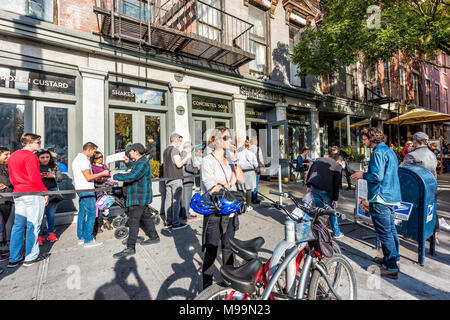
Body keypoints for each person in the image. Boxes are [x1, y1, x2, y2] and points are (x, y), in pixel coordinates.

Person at [352, 127, 401, 280]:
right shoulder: (388, 150)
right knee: (390, 230)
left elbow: (377, 176)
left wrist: (362, 175)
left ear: (372, 138)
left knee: (385, 233)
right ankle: (392, 259)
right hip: (390, 195)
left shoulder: (377, 152)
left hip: (380, 197)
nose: (363, 141)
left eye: (365, 139)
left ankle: (391, 267)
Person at [200, 126, 244, 289]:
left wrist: (235, 162)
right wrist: (230, 183)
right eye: (226, 138)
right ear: (216, 140)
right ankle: (206, 287)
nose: (230, 141)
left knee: (228, 247)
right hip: (214, 212)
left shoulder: (229, 160)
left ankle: (229, 281)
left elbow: (241, 179)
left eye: (230, 138)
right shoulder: (207, 160)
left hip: (230, 211)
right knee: (211, 250)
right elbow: (213, 188)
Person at [7, 133, 49, 268]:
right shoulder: (30, 156)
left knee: (18, 226)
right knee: (33, 224)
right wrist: (45, 193)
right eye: (38, 142)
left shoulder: (13, 156)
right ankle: (31, 256)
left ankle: (14, 257)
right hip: (32, 192)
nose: (40, 145)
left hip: (18, 192)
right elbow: (34, 177)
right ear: (29, 143)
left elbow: (12, 176)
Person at [112, 143, 160, 259]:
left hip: (138, 197)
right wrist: (128, 163)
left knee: (133, 221)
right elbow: (134, 168)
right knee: (146, 217)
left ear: (136, 152)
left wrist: (115, 176)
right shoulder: (140, 162)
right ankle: (154, 237)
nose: (129, 153)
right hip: (139, 196)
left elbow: (132, 176)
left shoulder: (143, 163)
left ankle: (130, 247)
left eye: (131, 151)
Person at [72, 142, 110, 248]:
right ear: (89, 149)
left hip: (80, 189)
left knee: (82, 214)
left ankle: (81, 237)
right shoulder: (83, 160)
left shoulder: (76, 159)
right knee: (92, 214)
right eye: (94, 151)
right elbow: (88, 177)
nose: (94, 154)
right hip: (87, 189)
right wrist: (102, 173)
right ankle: (88, 239)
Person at [306, 153, 345, 239]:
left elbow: (311, 171)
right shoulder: (337, 165)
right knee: (331, 211)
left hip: (314, 187)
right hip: (326, 191)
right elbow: (336, 183)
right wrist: (335, 199)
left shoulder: (320, 160)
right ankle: (336, 232)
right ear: (339, 161)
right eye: (341, 162)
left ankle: (320, 230)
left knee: (319, 210)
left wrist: (308, 186)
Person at [163, 133, 191, 230]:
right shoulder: (175, 150)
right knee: (175, 201)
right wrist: (187, 157)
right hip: (176, 178)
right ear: (175, 140)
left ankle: (168, 222)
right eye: (180, 141)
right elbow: (179, 164)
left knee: (168, 201)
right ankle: (175, 223)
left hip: (167, 179)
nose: (180, 143)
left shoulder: (165, 150)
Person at [36, 149, 63, 246]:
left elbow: (60, 178)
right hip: (39, 192)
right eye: (42, 157)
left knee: (50, 214)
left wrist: (52, 176)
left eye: (47, 157)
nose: (45, 159)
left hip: (53, 190)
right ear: (38, 158)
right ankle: (38, 236)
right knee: (39, 216)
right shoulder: (35, 166)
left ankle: (50, 233)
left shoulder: (54, 166)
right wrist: (39, 176)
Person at [90, 151, 113, 233]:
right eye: (98, 157)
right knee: (98, 208)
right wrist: (105, 177)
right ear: (94, 159)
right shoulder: (92, 167)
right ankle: (97, 225)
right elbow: (96, 179)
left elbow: (109, 176)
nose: (100, 159)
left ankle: (106, 221)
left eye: (101, 157)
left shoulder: (104, 166)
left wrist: (110, 179)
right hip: (98, 189)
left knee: (106, 207)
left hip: (107, 189)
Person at [237, 139, 258, 211]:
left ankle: (241, 205)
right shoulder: (251, 154)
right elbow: (256, 164)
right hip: (250, 172)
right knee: (248, 190)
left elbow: (236, 163)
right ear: (248, 146)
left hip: (241, 172)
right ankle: (248, 206)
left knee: (240, 189)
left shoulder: (239, 154)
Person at [0, 147, 13, 260]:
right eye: (6, 154)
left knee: (3, 225)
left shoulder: (5, 167)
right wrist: (8, 183)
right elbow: (8, 181)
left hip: (8, 199)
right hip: (2, 200)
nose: (9, 157)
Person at [180, 142, 199, 220]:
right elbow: (188, 168)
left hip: (184, 178)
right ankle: (186, 214)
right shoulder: (187, 154)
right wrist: (197, 169)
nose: (192, 149)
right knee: (186, 198)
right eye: (191, 147)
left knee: (183, 197)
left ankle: (183, 213)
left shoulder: (181, 153)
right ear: (189, 147)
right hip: (187, 179)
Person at [249, 136, 265, 204]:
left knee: (249, 185)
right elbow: (261, 160)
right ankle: (254, 199)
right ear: (255, 141)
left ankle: (248, 199)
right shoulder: (258, 149)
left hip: (248, 169)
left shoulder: (248, 148)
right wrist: (263, 167)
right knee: (255, 184)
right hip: (256, 169)